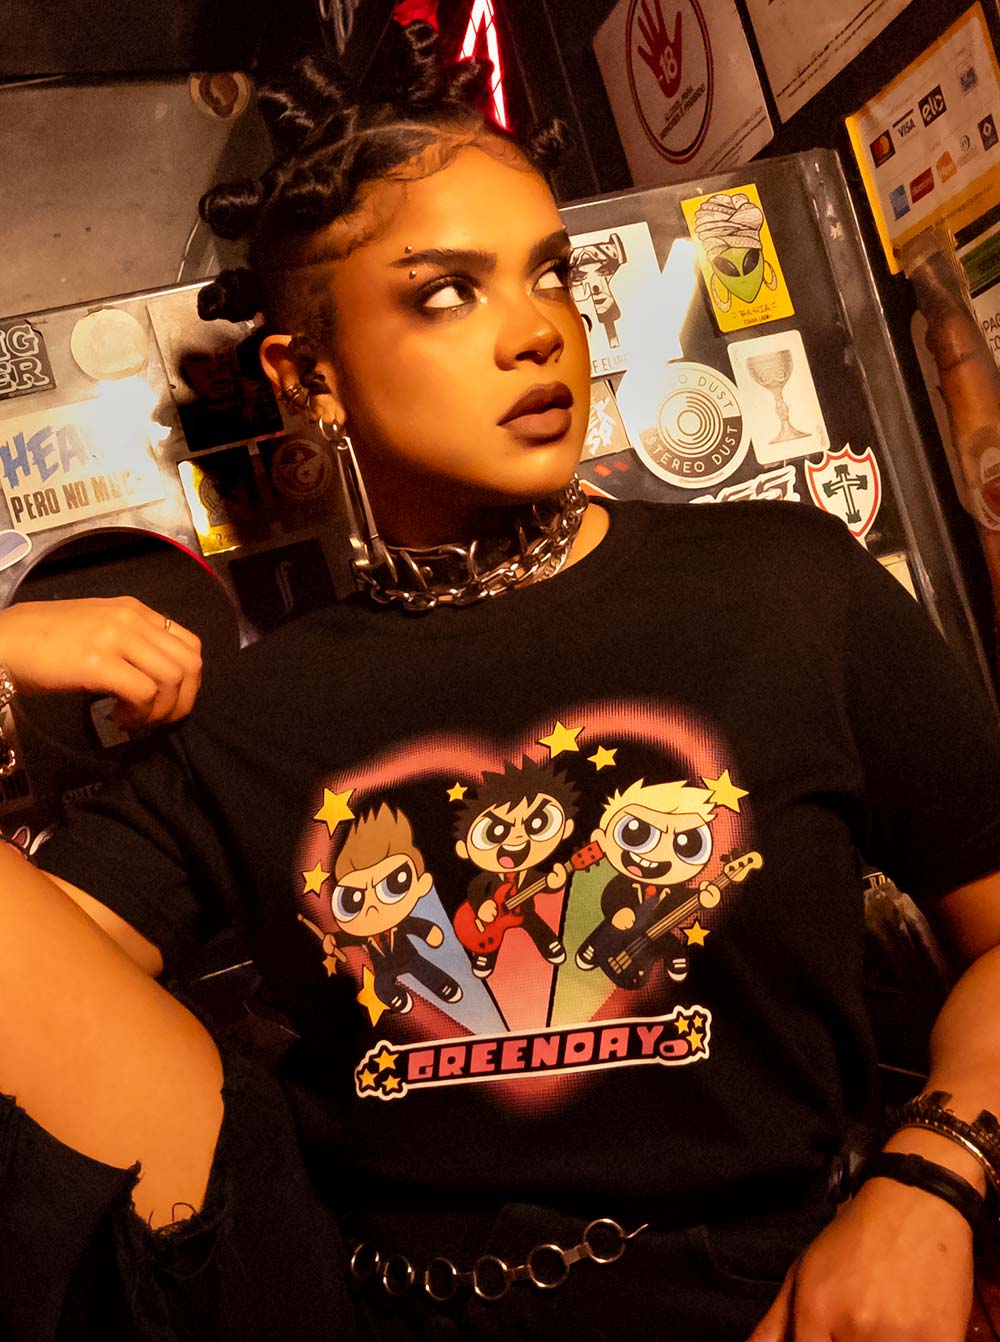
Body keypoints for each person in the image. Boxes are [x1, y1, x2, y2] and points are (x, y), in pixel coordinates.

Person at [2, 21, 1000, 1341]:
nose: (536, 332)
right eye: (445, 294)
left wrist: (933, 1178)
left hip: (772, 1296)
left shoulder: (786, 587)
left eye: (550, 275)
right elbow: (35, 1010)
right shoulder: (256, 714)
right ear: (308, 378)